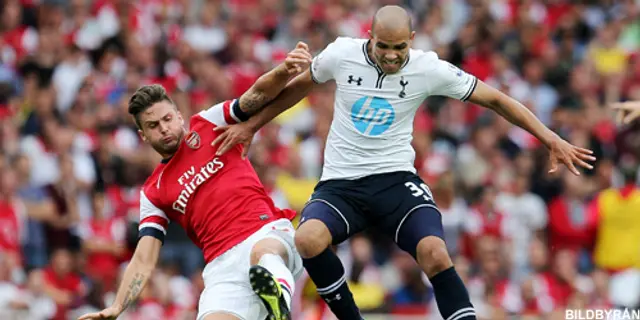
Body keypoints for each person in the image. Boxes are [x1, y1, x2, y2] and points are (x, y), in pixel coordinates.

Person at [212, 6, 596, 320]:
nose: (392, 55)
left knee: (435, 252)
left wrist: (551, 138)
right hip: (341, 184)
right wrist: (253, 127)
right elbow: (299, 87)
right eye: (383, 46)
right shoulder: (341, 54)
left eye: (400, 47)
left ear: (411, 41)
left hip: (396, 181)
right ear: (369, 37)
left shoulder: (427, 68)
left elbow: (496, 99)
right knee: (308, 240)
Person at [77, 42, 313, 320]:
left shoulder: (208, 123)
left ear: (179, 116)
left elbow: (256, 94)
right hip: (222, 268)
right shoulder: (154, 192)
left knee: (264, 257)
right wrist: (117, 306)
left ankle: (280, 306)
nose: (164, 128)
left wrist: (284, 70)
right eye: (153, 125)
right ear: (143, 135)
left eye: (167, 119)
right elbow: (144, 257)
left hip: (266, 233)